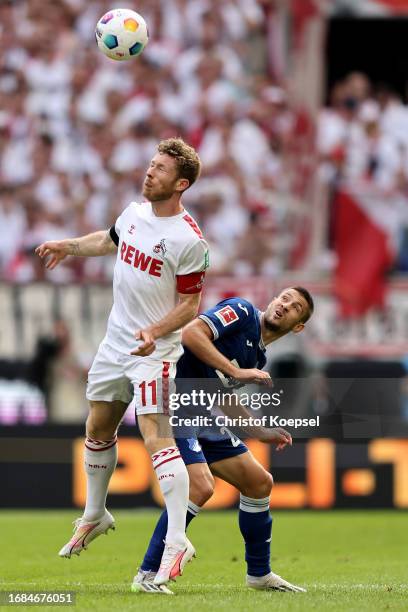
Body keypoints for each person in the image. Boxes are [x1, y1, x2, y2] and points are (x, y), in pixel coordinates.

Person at [36, 137, 209, 586]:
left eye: (160, 169)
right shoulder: (133, 213)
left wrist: (155, 331)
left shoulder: (189, 240)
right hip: (116, 343)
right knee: (97, 427)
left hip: (156, 352)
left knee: (155, 436)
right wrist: (67, 246)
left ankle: (176, 539)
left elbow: (191, 305)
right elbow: (107, 241)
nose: (150, 172)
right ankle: (95, 514)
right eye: (151, 164)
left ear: (181, 183)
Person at [132, 286, 314, 594]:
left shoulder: (257, 354)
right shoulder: (242, 312)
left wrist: (259, 432)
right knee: (201, 486)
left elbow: (220, 395)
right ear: (272, 299)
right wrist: (234, 370)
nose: (285, 305)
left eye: (295, 307)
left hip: (200, 410)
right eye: (284, 297)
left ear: (298, 326)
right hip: (171, 399)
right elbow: (191, 333)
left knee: (259, 482)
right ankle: (147, 574)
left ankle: (259, 574)